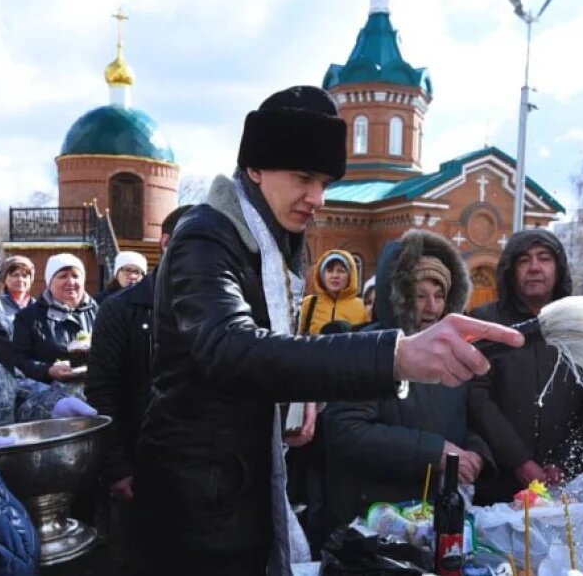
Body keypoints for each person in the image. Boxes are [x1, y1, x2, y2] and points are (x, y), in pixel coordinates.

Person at [132, 86, 520, 576]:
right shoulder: (206, 237)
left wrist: (298, 393)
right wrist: (394, 355)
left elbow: (266, 355)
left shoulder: (270, 244)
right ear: (255, 168)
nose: (317, 198)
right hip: (198, 503)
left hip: (231, 488)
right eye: (304, 178)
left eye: (325, 182)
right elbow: (229, 348)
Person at [324, 230, 495, 530]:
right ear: (398, 296)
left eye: (440, 295)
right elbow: (345, 430)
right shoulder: (370, 347)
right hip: (375, 515)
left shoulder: (453, 352)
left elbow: (465, 420)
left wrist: (477, 455)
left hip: (433, 513)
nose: (432, 307)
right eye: (419, 295)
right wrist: (434, 452)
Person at [85, 205, 192, 571]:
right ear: (166, 243)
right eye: (191, 241)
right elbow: (102, 391)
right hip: (141, 470)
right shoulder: (122, 309)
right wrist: (116, 466)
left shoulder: (223, 306)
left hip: (205, 476)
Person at [468, 229, 583, 504]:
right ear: (510, 269)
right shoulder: (486, 323)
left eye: (544, 258)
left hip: (561, 485)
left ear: (559, 268)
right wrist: (519, 460)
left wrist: (565, 462)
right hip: (497, 483)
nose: (535, 268)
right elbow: (476, 396)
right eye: (524, 260)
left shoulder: (578, 327)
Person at [12, 253, 98, 399]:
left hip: (94, 395)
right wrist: (47, 371)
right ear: (49, 282)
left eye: (76, 275)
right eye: (63, 276)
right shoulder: (28, 317)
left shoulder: (99, 312)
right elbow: (18, 360)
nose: (71, 281)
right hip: (49, 401)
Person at [298, 249, 367, 335]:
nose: (335, 276)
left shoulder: (362, 307)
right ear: (322, 275)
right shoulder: (309, 304)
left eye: (341, 271)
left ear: (350, 276)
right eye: (330, 271)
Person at [0, 256, 35, 326]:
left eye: (24, 276)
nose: (20, 280)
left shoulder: (38, 307)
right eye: (15, 275)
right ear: (4, 279)